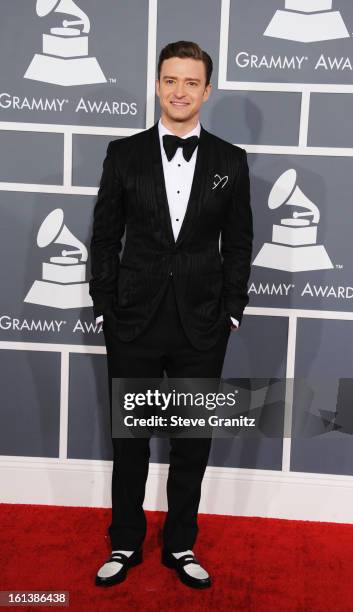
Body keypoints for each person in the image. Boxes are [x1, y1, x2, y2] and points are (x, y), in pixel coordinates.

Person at [89, 40, 253, 589]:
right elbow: (106, 234)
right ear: (157, 85)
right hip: (133, 318)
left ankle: (181, 543)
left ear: (207, 90)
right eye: (170, 80)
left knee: (192, 442)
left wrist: (231, 309)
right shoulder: (123, 154)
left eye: (191, 82)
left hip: (202, 323)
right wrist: (106, 304)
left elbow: (239, 241)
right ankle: (125, 542)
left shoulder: (231, 161)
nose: (179, 91)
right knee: (129, 440)